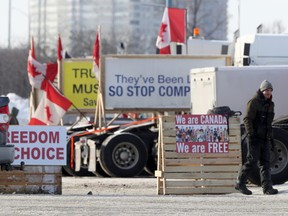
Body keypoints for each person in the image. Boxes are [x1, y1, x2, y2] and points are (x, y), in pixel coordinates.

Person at [235, 80, 278, 195]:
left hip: (265, 138)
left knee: (266, 163)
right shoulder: (254, 102)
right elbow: (247, 119)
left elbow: (268, 123)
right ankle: (240, 183)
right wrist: (251, 134)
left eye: (270, 90)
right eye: (266, 90)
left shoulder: (270, 104)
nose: (268, 92)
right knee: (252, 161)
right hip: (254, 137)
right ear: (261, 90)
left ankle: (267, 188)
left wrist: (271, 138)